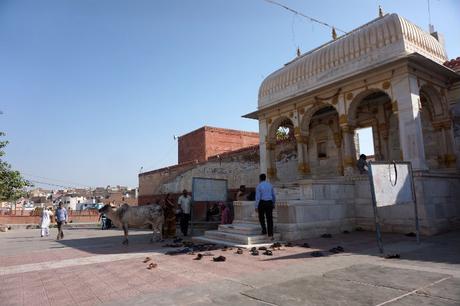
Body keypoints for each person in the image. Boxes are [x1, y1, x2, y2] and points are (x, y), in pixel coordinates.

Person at [255, 173, 276, 240]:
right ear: (265, 178)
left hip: (262, 202)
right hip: (269, 202)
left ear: (260, 179)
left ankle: (264, 230)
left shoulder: (259, 186)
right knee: (270, 219)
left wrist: (256, 206)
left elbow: (258, 197)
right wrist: (273, 203)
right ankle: (270, 234)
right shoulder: (270, 185)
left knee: (261, 217)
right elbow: (273, 195)